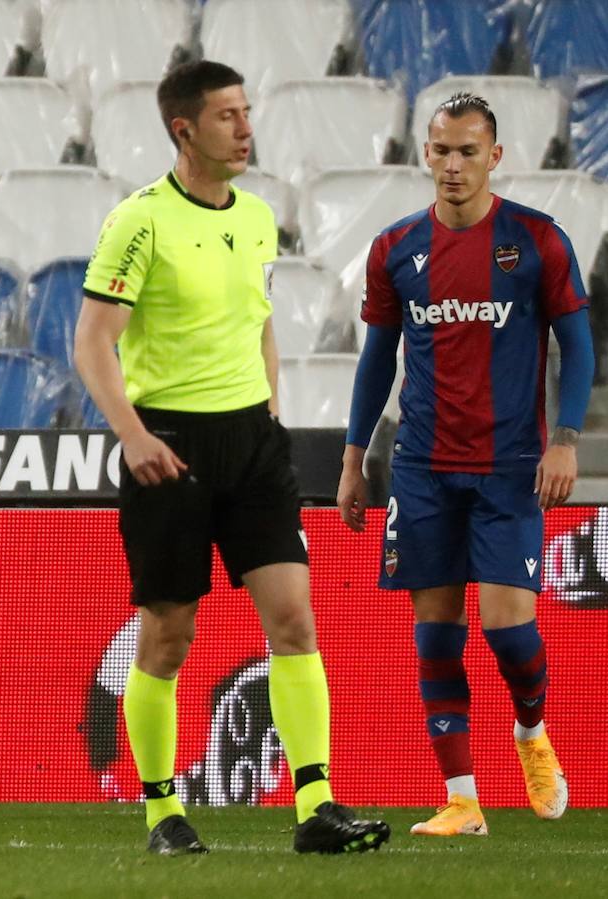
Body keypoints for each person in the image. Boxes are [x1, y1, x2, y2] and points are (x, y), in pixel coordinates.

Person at [73, 60, 390, 855]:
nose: (246, 128)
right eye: (227, 116)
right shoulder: (137, 221)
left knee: (294, 620)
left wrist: (272, 415)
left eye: (247, 112)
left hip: (253, 444)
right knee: (169, 636)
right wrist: (133, 436)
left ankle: (316, 805)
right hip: (169, 447)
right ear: (184, 129)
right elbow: (93, 341)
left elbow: (260, 324)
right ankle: (161, 811)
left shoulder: (256, 216)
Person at [339, 92, 591, 837]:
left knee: (510, 633)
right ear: (426, 152)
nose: (453, 166)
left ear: (496, 157)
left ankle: (531, 731)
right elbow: (377, 356)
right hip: (421, 468)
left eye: (468, 152)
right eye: (442, 150)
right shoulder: (395, 249)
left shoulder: (536, 241)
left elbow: (576, 346)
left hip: (510, 467)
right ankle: (462, 798)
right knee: (436, 634)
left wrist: (567, 438)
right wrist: (355, 459)